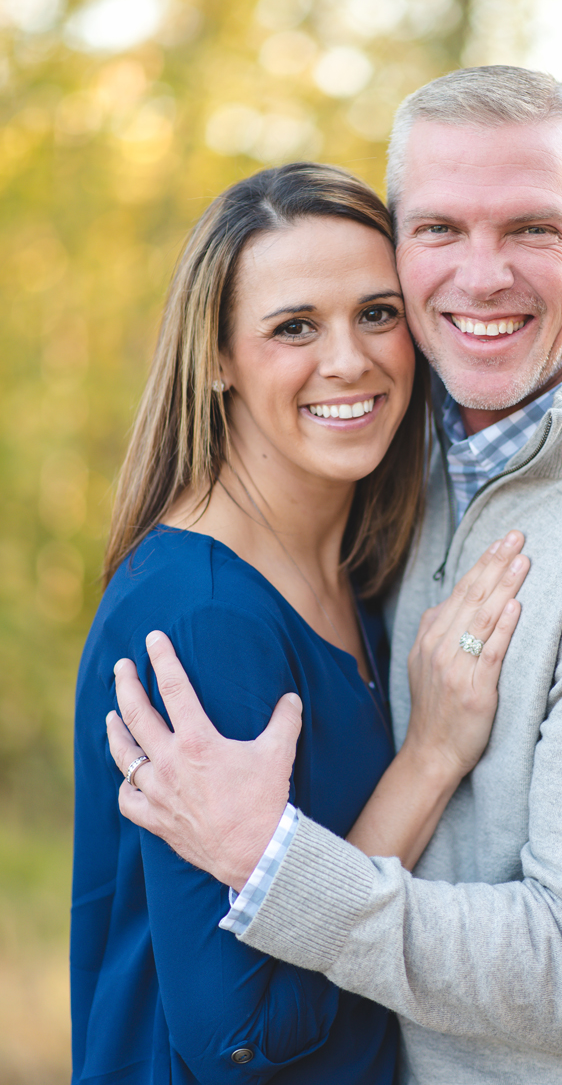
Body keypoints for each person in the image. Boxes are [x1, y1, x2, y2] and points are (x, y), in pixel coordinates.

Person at [107, 67, 562, 1085]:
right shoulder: (397, 451)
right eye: (439, 230)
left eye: (531, 229)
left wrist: (279, 866)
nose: (482, 277)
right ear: (397, 244)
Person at [72, 161, 532, 1084]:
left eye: (377, 313)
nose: (349, 360)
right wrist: (431, 757)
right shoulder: (206, 621)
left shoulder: (349, 567)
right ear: (215, 358)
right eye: (293, 327)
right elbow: (240, 1037)